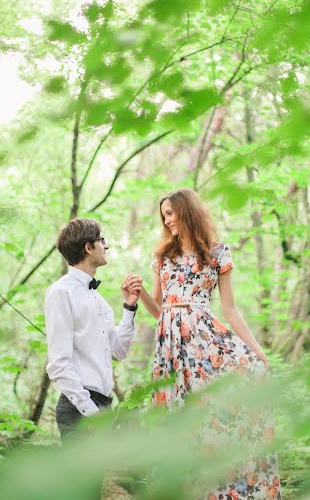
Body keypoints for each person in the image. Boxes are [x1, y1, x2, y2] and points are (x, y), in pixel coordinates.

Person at [136, 188, 282, 499]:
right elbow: (160, 310)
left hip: (204, 343)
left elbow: (230, 308)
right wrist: (140, 296)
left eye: (171, 214)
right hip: (170, 348)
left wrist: (257, 352)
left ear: (187, 212)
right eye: (164, 216)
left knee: (209, 417)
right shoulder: (163, 256)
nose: (167, 221)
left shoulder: (217, 253)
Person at [45, 217, 142, 439]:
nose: (106, 246)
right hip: (80, 409)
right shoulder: (61, 292)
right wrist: (90, 411)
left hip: (103, 406)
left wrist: (129, 307)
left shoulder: (98, 300)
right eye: (102, 240)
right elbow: (58, 364)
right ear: (88, 247)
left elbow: (119, 351)